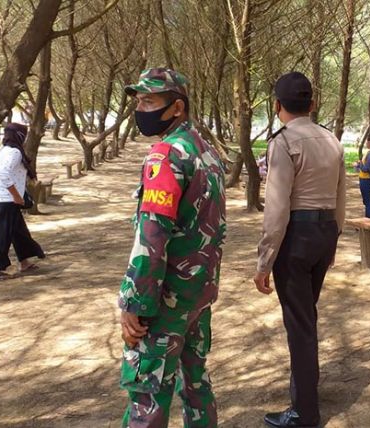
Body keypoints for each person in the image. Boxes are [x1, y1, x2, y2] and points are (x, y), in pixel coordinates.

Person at [118, 68, 226, 428]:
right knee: (196, 383)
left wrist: (134, 302)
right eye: (139, 101)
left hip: (165, 301)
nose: (141, 109)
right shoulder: (207, 153)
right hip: (198, 293)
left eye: (149, 101)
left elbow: (153, 233)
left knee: (148, 395)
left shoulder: (166, 156)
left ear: (177, 107)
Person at [254, 71, 346, 428]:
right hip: (324, 234)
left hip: (296, 238)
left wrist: (264, 261)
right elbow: (341, 198)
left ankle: (304, 413)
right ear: (312, 104)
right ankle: (305, 395)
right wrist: (333, 242)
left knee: (300, 326)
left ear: (278, 106)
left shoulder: (283, 142)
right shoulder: (331, 139)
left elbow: (276, 208)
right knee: (307, 317)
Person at [0, 123, 45, 279]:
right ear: (20, 136)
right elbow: (3, 174)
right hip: (8, 201)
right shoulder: (14, 153)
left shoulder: (3, 149)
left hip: (1, 198)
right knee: (3, 235)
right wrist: (16, 195)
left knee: (19, 232)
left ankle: (24, 262)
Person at [353, 134, 370, 218]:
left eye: (366, 141)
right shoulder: (369, 152)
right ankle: (367, 220)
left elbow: (366, 169)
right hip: (363, 179)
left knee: (367, 202)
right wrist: (357, 165)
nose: (365, 143)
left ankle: (368, 221)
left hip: (366, 180)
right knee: (366, 201)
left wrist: (360, 163)